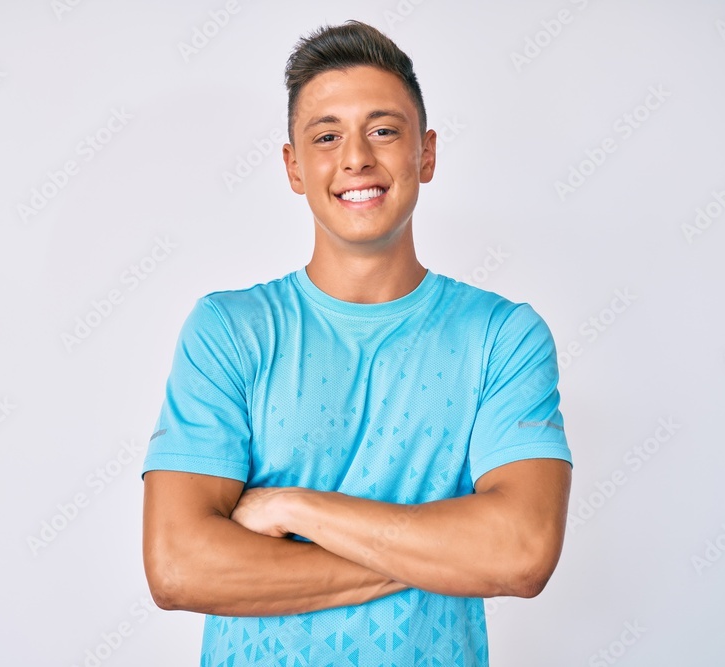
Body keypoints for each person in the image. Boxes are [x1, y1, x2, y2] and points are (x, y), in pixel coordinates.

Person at [141, 19, 573, 666]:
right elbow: (179, 567)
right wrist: (443, 554)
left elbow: (521, 553)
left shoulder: (502, 337)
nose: (356, 158)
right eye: (326, 136)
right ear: (293, 166)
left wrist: (294, 507)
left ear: (425, 153)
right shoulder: (230, 330)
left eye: (383, 130)